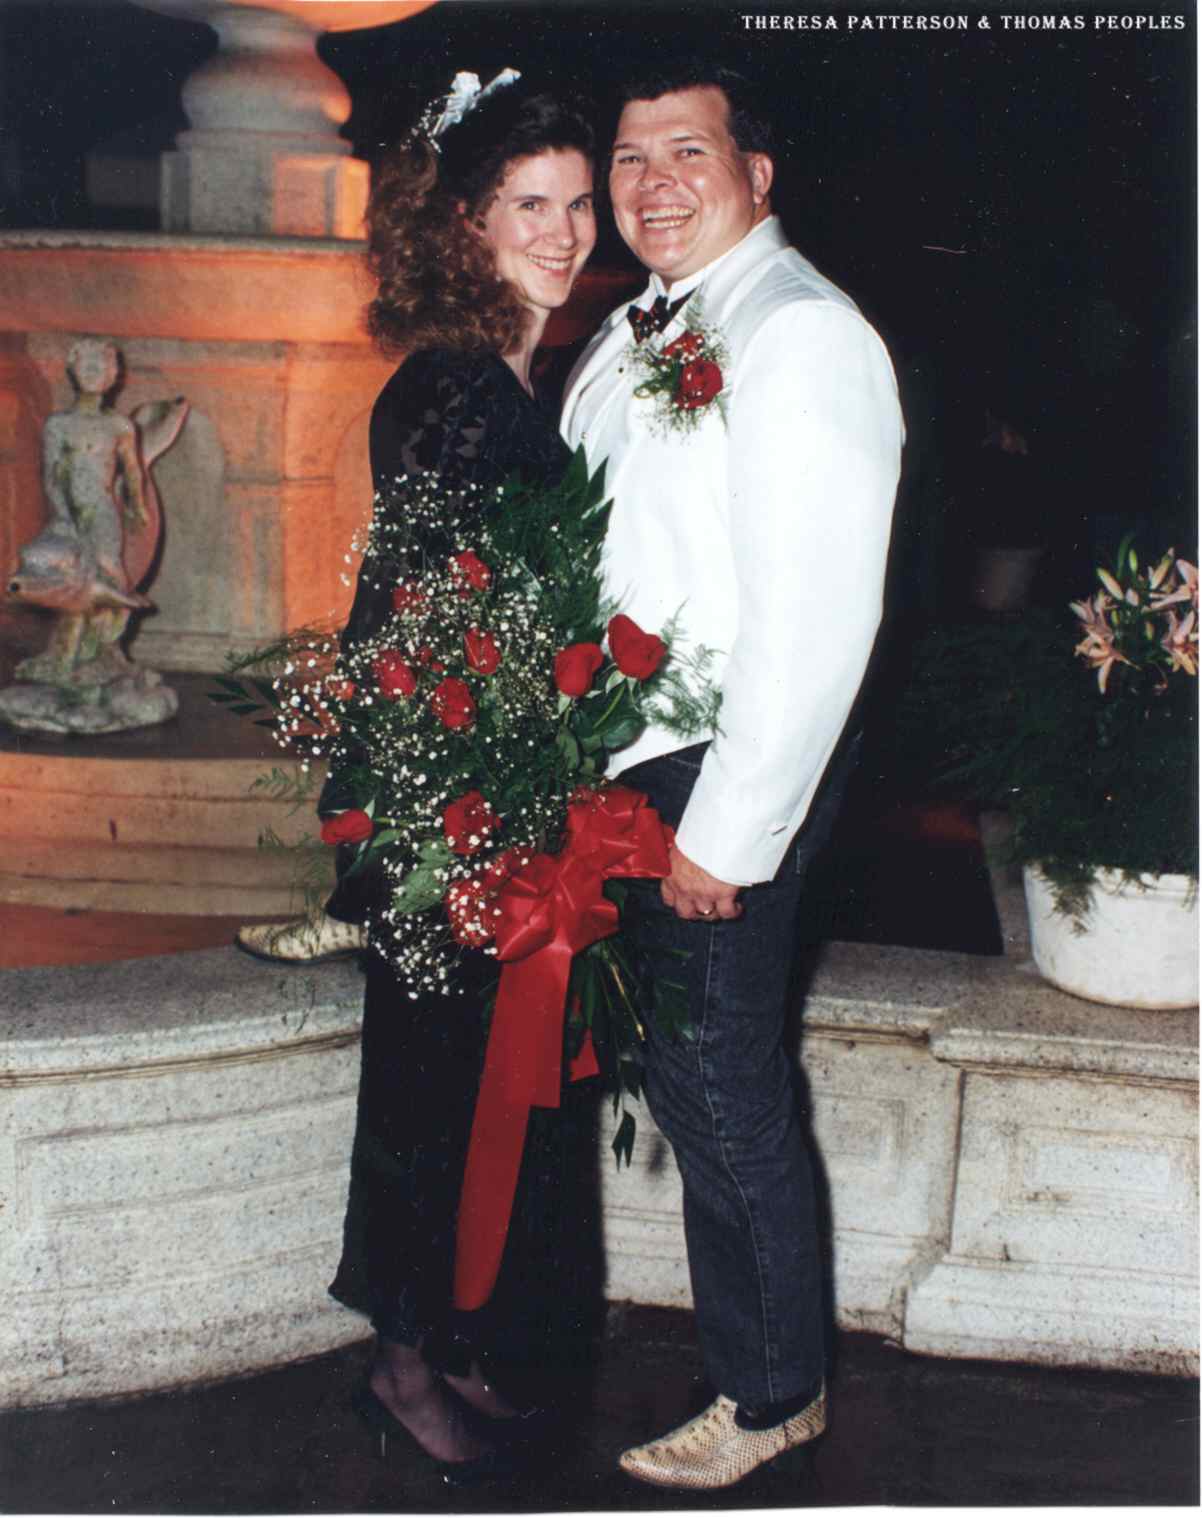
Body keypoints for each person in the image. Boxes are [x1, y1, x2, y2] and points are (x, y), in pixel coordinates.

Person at [561, 61, 903, 1490]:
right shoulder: (641, 322)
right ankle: (765, 1371)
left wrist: (730, 829)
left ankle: (771, 1396)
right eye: (629, 157)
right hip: (638, 760)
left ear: (757, 175)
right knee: (698, 1082)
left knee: (718, 1085)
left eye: (686, 151)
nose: (651, 182)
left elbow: (818, 616)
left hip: (718, 774)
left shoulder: (799, 331)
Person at [314, 74, 597, 1483]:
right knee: (425, 1100)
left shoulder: (495, 371)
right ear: (467, 221)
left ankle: (450, 1337)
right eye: (528, 205)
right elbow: (426, 617)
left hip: (471, 795)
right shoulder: (454, 387)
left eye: (578, 203)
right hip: (445, 809)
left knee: (469, 1093)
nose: (562, 232)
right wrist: (457, 810)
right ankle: (400, 1363)